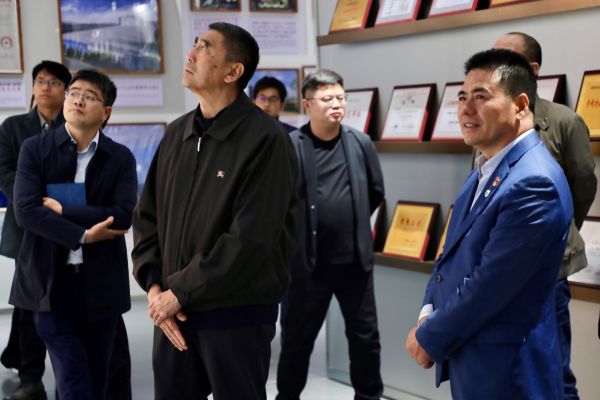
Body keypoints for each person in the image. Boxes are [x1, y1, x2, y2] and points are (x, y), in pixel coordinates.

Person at [131, 22, 297, 400]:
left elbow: (251, 239)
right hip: (173, 313)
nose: (190, 54)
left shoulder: (266, 139)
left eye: (205, 47)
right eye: (194, 44)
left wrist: (177, 293)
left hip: (235, 313)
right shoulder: (177, 134)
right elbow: (146, 217)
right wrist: (155, 287)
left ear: (233, 71)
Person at [405, 49, 573, 399]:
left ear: (521, 105)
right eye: (462, 97)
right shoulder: (486, 167)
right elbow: (452, 254)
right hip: (476, 356)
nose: (466, 109)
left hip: (508, 371)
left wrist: (431, 335)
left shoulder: (534, 182)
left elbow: (490, 284)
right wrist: (428, 310)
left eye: (481, 96)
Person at [11, 69, 137, 400]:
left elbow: (123, 214)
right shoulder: (35, 149)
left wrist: (64, 211)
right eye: (75, 92)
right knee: (74, 379)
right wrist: (85, 235)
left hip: (101, 285)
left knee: (98, 379)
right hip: (50, 283)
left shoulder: (119, 157)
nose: (78, 99)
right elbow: (26, 211)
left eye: (90, 96)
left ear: (106, 112)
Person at [493, 32, 596, 400]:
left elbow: (582, 187)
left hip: (547, 269)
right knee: (507, 368)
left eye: (505, 57)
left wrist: (556, 235)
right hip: (497, 267)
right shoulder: (489, 118)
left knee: (554, 368)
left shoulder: (564, 121)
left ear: (532, 69)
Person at [276, 69, 385, 400]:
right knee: (297, 340)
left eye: (340, 97)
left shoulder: (359, 142)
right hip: (307, 266)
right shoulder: (290, 146)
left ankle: (368, 397)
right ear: (308, 105)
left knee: (365, 338)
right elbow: (277, 205)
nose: (336, 104)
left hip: (354, 263)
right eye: (327, 99)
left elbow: (376, 192)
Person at [0, 60, 71, 400]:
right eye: (40, 81)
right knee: (30, 302)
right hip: (26, 226)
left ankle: (49, 369)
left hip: (63, 225)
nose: (45, 87)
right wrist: (34, 197)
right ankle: (31, 377)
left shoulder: (74, 126)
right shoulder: (14, 127)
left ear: (65, 90)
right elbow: (4, 171)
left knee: (53, 301)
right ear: (32, 87)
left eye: (54, 82)